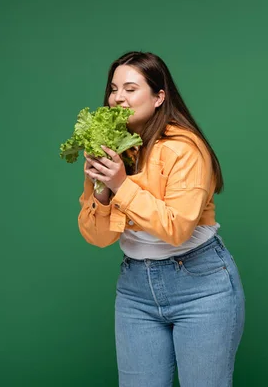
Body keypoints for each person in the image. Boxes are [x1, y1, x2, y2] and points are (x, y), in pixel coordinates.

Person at [77, 51, 245, 387]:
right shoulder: (111, 151)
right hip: (136, 288)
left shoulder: (185, 148)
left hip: (200, 286)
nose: (117, 98)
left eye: (130, 88)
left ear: (159, 97)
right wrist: (102, 191)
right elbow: (98, 237)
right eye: (113, 89)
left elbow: (178, 229)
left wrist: (120, 184)